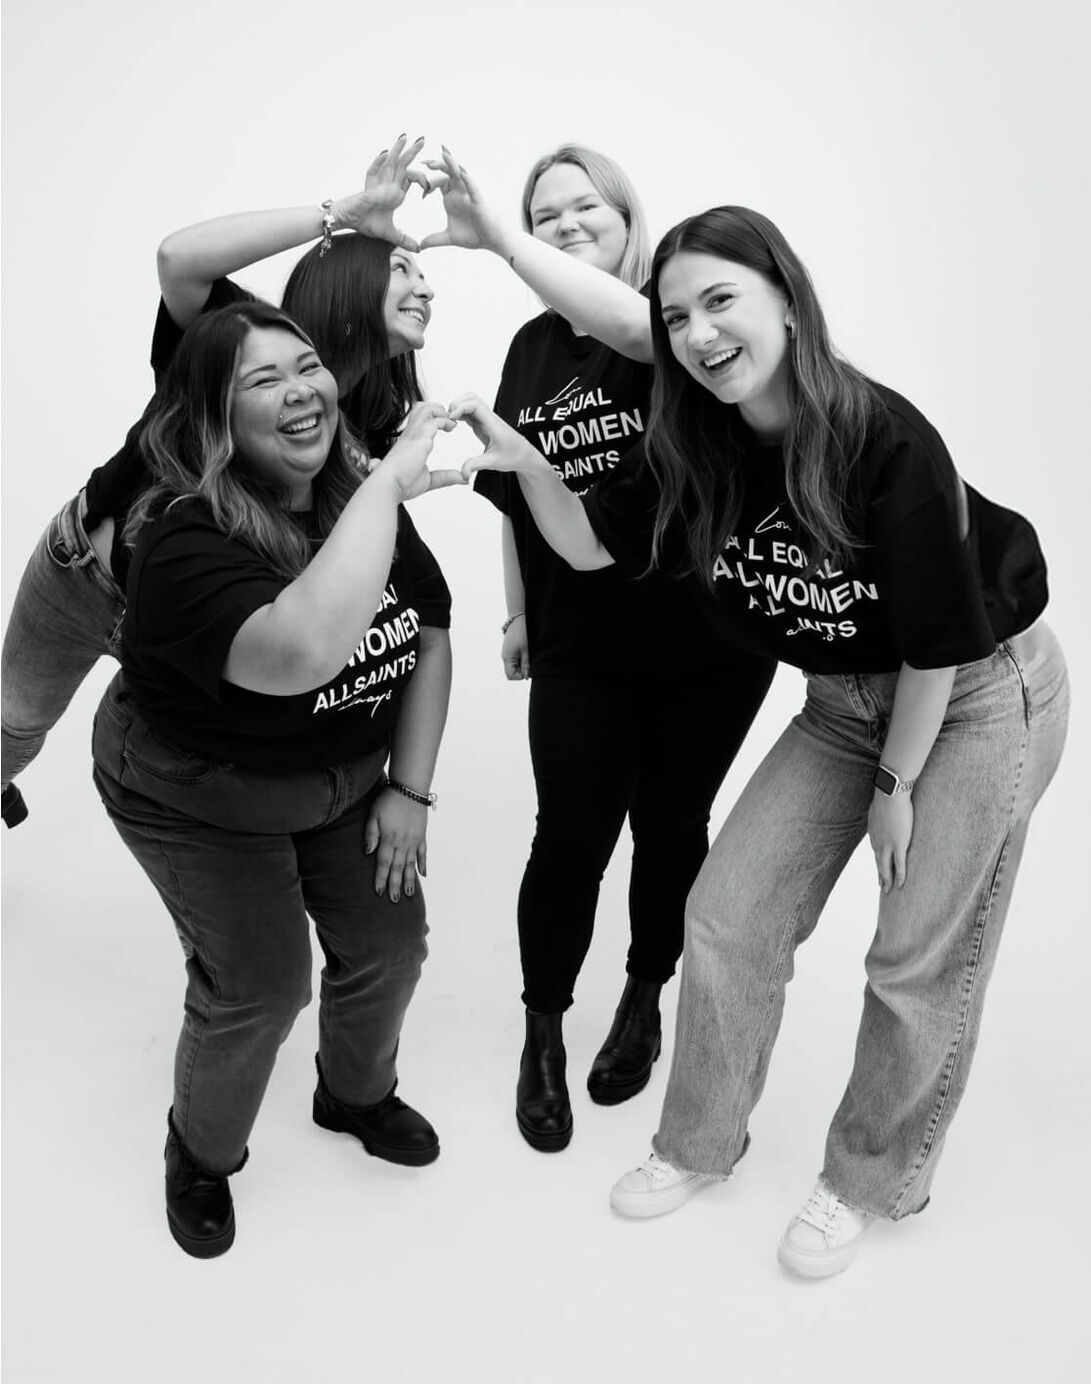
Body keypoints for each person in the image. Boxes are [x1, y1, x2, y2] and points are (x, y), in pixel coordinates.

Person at [447, 204, 1068, 1274]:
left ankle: (868, 1179)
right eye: (676, 313)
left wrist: (895, 784)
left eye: (720, 300)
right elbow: (592, 549)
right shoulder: (692, 443)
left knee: (912, 958)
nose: (696, 332)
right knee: (727, 912)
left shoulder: (883, 438)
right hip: (840, 700)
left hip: (967, 694)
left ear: (784, 297)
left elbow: (933, 643)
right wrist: (516, 461)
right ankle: (697, 1142)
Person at [419, 147, 775, 1151]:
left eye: (586, 206)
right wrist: (518, 610)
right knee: (568, 834)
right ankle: (541, 1029)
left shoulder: (672, 334)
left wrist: (501, 237)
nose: (566, 220)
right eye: (544, 210)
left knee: (669, 827)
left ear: (628, 221)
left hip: (703, 639)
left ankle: (643, 996)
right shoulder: (532, 348)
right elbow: (515, 490)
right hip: (580, 636)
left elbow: (619, 339)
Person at [92, 299, 465, 1258]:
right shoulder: (180, 541)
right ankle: (201, 1156)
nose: (301, 390)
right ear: (214, 417)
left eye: (306, 365)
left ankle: (352, 1097)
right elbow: (297, 652)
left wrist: (410, 790)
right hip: (198, 791)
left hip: (341, 778)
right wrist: (387, 486)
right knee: (259, 987)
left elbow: (426, 631)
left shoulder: (350, 493)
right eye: (263, 380)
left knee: (389, 944)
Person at [0, 136, 430, 829]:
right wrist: (342, 214)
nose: (428, 286)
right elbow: (178, 258)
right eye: (405, 268)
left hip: (201, 619)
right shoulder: (234, 341)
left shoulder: (372, 428)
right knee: (14, 727)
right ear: (352, 280)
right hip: (91, 581)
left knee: (194, 784)